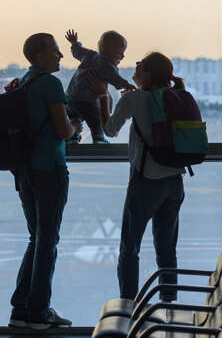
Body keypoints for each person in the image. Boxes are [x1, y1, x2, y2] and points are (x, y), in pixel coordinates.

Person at [87, 52, 186, 301]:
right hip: (175, 180)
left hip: (146, 181)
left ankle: (128, 305)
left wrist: (103, 96)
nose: (135, 66)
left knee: (129, 248)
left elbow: (110, 129)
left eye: (140, 66)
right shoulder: (178, 95)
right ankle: (168, 304)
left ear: (148, 75)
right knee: (167, 249)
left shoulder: (133, 99)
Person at [7, 33, 82, 329]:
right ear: (41, 56)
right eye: (55, 51)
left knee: (36, 238)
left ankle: (20, 309)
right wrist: (75, 126)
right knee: (47, 241)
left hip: (25, 171)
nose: (60, 56)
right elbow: (63, 130)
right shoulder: (50, 83)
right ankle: (39, 312)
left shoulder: (24, 82)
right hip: (49, 169)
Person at [64, 29, 136, 144]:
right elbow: (115, 78)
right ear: (109, 52)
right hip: (87, 101)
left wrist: (74, 43)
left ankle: (73, 136)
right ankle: (98, 138)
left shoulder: (90, 54)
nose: (123, 56)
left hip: (71, 98)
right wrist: (125, 84)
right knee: (96, 119)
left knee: (74, 117)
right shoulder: (107, 65)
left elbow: (78, 52)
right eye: (120, 53)